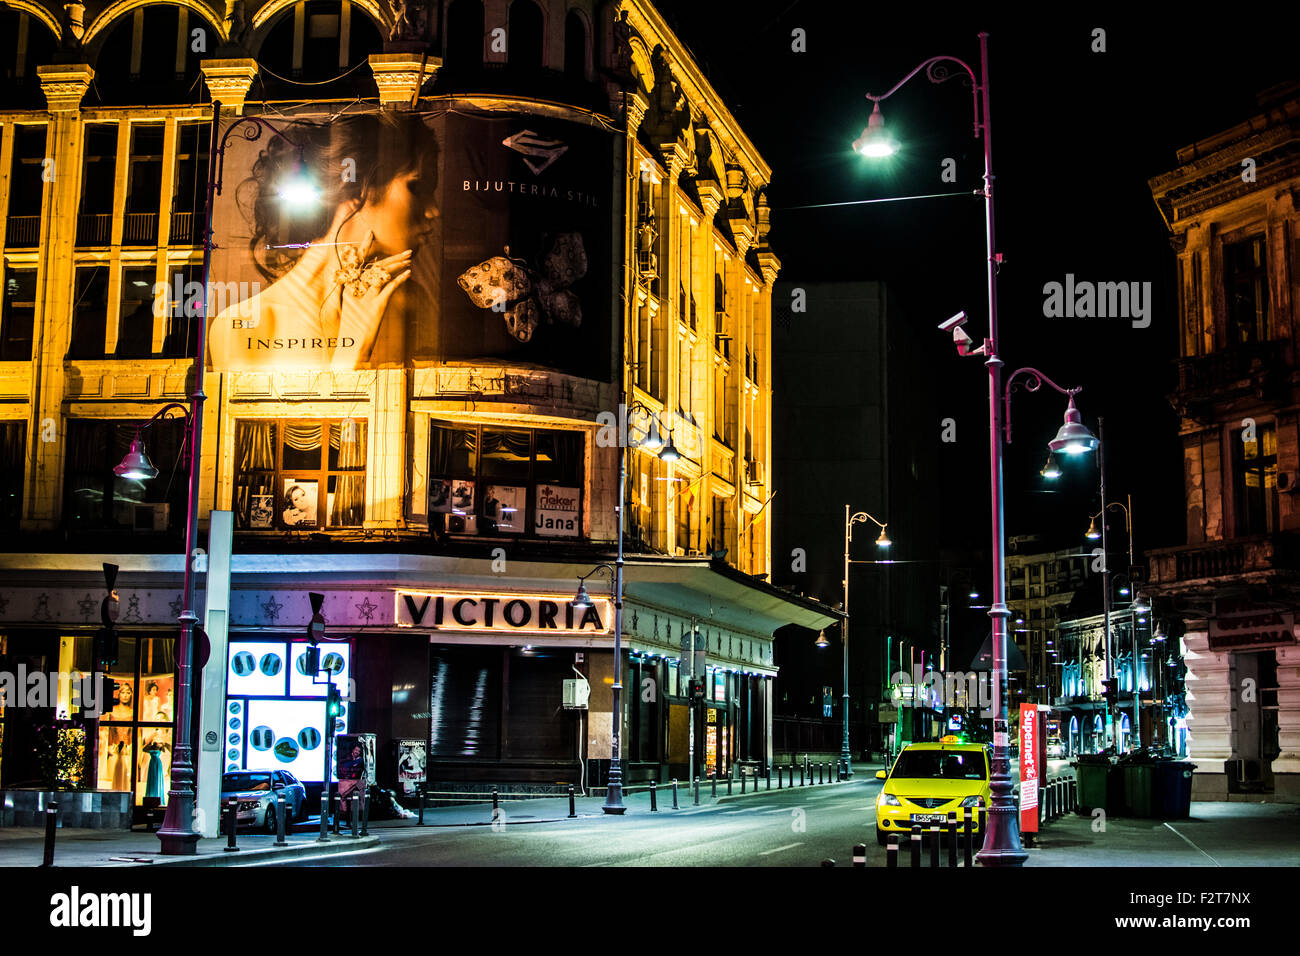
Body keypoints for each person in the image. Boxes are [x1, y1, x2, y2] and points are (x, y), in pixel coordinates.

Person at [208, 113, 439, 371]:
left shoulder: (408, 310)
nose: (433, 211)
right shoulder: (244, 327)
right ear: (358, 187)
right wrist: (352, 356)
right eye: (418, 187)